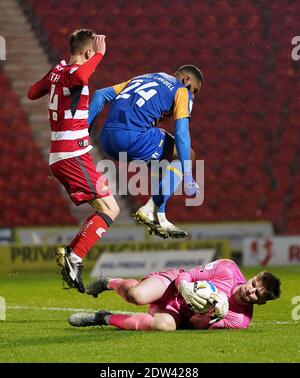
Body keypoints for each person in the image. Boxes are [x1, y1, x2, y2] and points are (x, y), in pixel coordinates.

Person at [27, 30, 120, 293]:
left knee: (105, 208)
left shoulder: (59, 71)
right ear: (89, 51)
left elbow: (32, 92)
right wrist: (100, 55)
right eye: (94, 53)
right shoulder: (75, 72)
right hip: (73, 153)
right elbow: (80, 75)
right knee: (111, 209)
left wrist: (51, 79)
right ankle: (75, 257)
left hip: (59, 154)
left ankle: (72, 253)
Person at [88, 66, 204, 239]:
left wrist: (82, 134)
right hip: (133, 139)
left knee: (164, 166)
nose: (192, 95)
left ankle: (156, 211)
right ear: (186, 80)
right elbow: (181, 133)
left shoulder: (145, 77)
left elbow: (100, 95)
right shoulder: (181, 90)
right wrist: (187, 173)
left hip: (106, 140)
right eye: (194, 90)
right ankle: (153, 210)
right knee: (187, 155)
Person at [68, 259, 281, 330]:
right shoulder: (228, 269)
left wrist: (209, 315)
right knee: (136, 296)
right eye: (253, 284)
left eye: (256, 295)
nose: (250, 291)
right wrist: (186, 289)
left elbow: (195, 325)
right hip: (173, 284)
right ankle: (109, 282)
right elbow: (188, 275)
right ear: (253, 276)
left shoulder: (239, 320)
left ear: (261, 303)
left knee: (163, 327)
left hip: (179, 313)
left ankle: (102, 318)